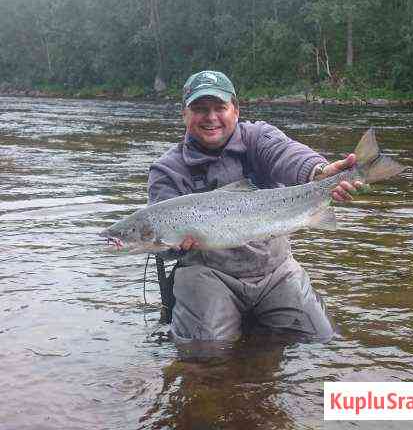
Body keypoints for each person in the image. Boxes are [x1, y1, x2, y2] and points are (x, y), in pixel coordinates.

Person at [147, 70, 363, 344]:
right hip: (207, 273)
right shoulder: (167, 169)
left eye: (219, 108)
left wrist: (320, 172)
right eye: (200, 109)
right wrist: (173, 245)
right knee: (205, 355)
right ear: (184, 115)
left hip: (276, 269)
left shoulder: (259, 137)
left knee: (321, 341)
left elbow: (288, 155)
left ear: (235, 110)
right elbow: (161, 242)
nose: (211, 117)